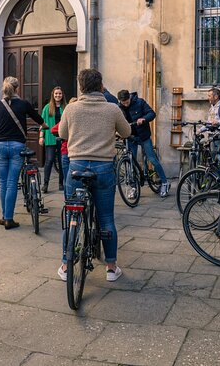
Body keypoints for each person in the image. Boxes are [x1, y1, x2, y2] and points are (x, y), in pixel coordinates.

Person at [58, 70, 131, 282]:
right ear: (101, 86)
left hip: (76, 167)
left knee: (72, 216)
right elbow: (126, 132)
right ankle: (111, 267)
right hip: (103, 168)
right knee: (106, 219)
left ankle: (65, 264)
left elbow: (62, 134)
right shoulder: (112, 109)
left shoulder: (71, 108)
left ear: (81, 87)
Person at [0, 77, 47, 230]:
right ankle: (9, 218)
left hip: (0, 145)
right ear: (17, 89)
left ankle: (5, 216)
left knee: (3, 183)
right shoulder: (24, 104)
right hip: (17, 145)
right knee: (11, 183)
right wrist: (45, 126)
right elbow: (38, 119)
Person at [116, 89, 170, 198]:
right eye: (123, 103)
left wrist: (143, 119)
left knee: (152, 159)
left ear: (130, 98)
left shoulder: (140, 102)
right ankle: (133, 187)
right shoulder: (118, 107)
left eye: (127, 102)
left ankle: (165, 182)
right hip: (130, 137)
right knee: (131, 162)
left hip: (143, 136)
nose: (125, 104)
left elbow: (152, 113)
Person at [39, 87, 67, 193]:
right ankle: (45, 184)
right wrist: (41, 137)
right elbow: (43, 123)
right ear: (53, 94)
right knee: (49, 160)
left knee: (61, 161)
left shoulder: (66, 107)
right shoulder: (47, 108)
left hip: (63, 138)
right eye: (56, 94)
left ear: (62, 94)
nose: (58, 96)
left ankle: (61, 183)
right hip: (50, 138)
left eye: (59, 94)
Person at [50, 97, 77, 199]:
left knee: (67, 180)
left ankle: (68, 204)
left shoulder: (66, 119)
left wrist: (62, 136)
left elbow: (53, 130)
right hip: (77, 153)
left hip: (66, 151)